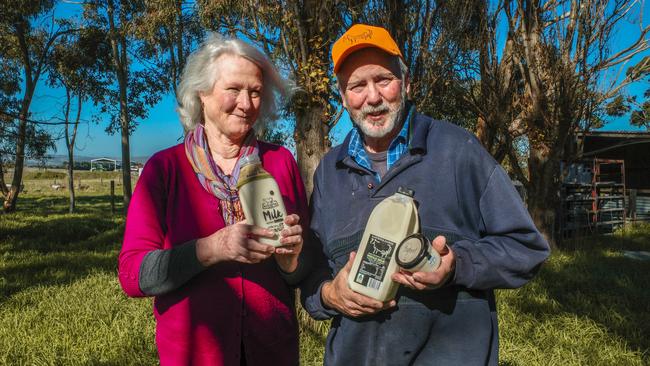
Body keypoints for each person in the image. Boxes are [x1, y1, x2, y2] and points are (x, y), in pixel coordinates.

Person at [300, 24, 551, 365]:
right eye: (357, 86)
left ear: (406, 84)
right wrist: (330, 295)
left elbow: (527, 248)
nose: (372, 97)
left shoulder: (457, 150)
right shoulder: (330, 172)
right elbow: (312, 272)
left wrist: (455, 266)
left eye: (383, 80)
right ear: (344, 98)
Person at [118, 34, 309, 365]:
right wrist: (214, 247)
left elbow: (300, 271)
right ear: (201, 93)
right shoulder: (165, 169)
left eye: (255, 92)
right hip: (193, 355)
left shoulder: (280, 162)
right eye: (233, 89)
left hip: (273, 352)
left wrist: (290, 259)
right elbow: (133, 274)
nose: (246, 103)